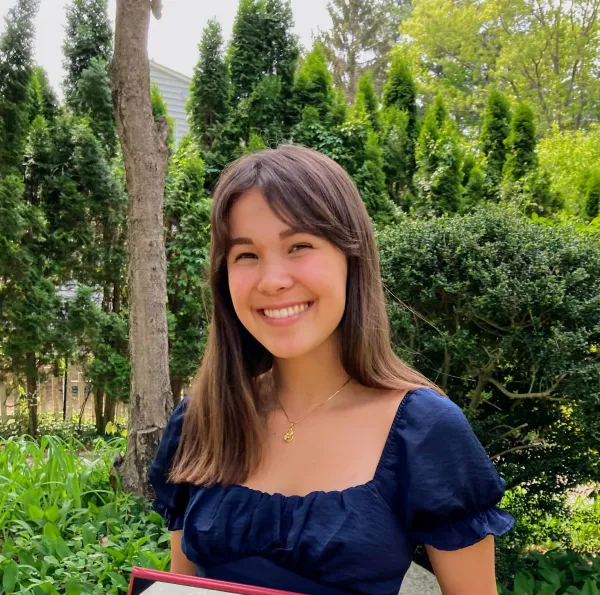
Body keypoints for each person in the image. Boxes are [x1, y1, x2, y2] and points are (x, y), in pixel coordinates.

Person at [149, 145, 514, 595]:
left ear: (351, 258)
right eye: (246, 254)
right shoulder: (201, 420)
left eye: (299, 246)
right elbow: (181, 584)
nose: (272, 280)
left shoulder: (424, 431)